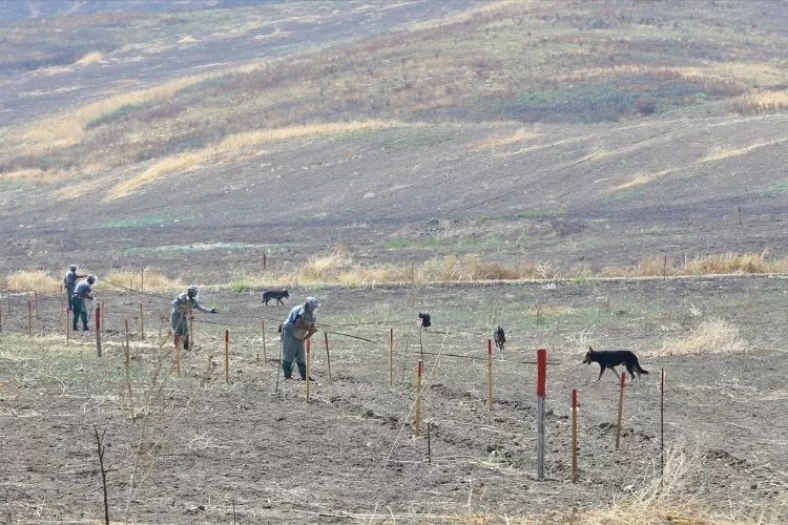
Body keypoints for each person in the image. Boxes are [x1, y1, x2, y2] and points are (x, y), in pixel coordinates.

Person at [280, 296, 319, 380]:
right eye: (311, 307)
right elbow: (297, 324)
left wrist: (310, 333)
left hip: (299, 336)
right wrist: (310, 329)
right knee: (288, 355)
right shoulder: (299, 310)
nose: (312, 309)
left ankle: (304, 376)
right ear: (307, 305)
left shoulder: (312, 315)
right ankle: (287, 375)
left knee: (301, 356)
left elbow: (311, 326)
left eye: (314, 308)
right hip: (289, 333)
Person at [170, 285, 218, 350]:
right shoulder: (183, 296)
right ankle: (177, 348)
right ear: (190, 292)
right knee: (178, 331)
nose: (196, 293)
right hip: (176, 316)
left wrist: (210, 311)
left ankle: (186, 348)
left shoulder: (193, 301)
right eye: (195, 292)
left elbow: (201, 308)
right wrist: (180, 311)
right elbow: (174, 303)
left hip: (183, 317)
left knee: (186, 332)